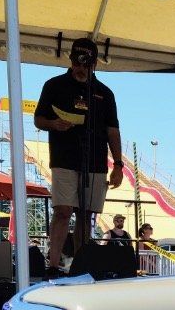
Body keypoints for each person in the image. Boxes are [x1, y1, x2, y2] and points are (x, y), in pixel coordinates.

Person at [34, 37, 124, 274]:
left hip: (94, 162)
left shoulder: (105, 93)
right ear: (71, 59)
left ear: (94, 63)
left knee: (87, 215)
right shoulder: (54, 85)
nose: (80, 67)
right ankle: (53, 265)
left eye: (85, 63)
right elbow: (38, 119)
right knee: (63, 210)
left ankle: (80, 266)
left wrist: (118, 164)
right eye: (76, 61)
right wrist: (54, 123)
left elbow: (112, 130)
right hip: (63, 159)